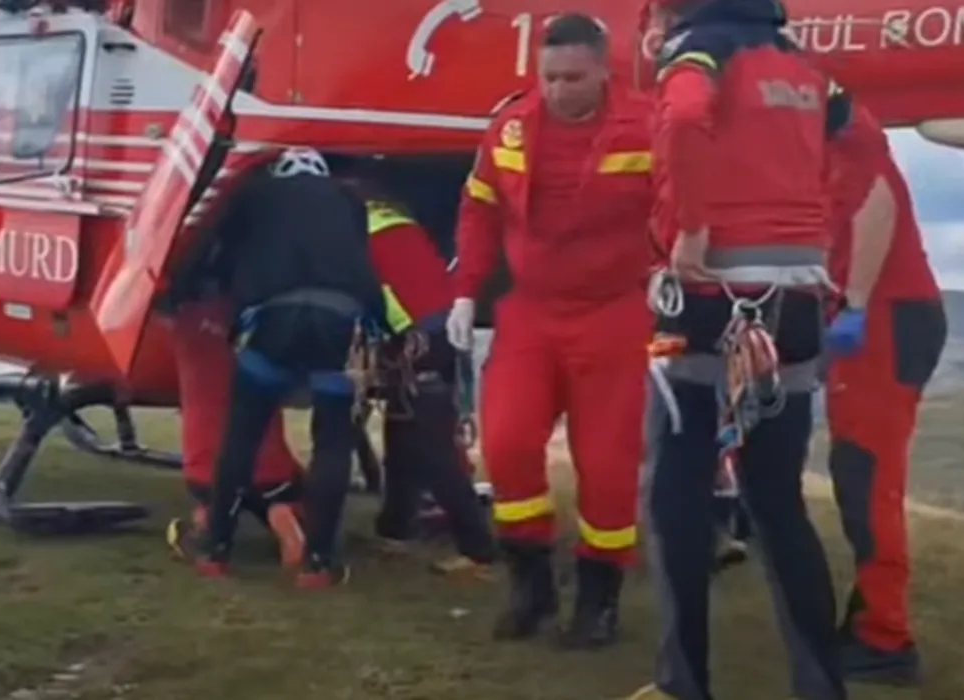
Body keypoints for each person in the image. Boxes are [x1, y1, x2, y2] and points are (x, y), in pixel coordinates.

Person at [627, 0, 856, 697]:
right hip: (795, 298)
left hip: (710, 295)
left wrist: (693, 225)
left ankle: (683, 683)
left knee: (675, 494)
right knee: (778, 500)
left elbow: (682, 118)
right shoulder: (802, 65)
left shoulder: (700, 51)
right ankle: (821, 687)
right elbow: (840, 124)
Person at [446, 14, 655, 649]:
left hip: (616, 315)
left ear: (603, 71)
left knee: (609, 466)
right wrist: (465, 289)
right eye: (550, 77)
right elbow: (480, 207)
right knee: (507, 443)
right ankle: (531, 587)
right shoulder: (510, 126)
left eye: (573, 78)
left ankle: (598, 601)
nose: (560, 89)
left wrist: (671, 275)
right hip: (530, 312)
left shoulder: (649, 126)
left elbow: (682, 206)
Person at [189, 147, 387, 588]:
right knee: (332, 442)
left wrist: (186, 290)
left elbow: (215, 251)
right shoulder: (349, 201)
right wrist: (383, 331)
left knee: (241, 436)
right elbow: (365, 265)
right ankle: (318, 563)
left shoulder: (254, 193)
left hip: (272, 319)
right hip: (338, 321)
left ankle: (215, 550)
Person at [824, 102, 946, 686]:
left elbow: (876, 201)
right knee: (861, 471)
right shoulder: (824, 134)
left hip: (883, 317)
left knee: (867, 475)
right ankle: (870, 618)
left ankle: (885, 639)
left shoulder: (842, 129)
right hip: (887, 313)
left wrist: (853, 302)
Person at [341, 171, 497, 578]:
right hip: (441, 331)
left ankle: (478, 550)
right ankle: (395, 528)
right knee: (404, 436)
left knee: (433, 449)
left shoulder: (355, 229)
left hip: (418, 340)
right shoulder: (393, 219)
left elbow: (368, 292)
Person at [159, 239, 307, 570]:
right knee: (280, 493)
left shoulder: (184, 319)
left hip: (206, 466)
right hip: (270, 464)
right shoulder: (263, 321)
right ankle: (287, 524)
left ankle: (205, 525)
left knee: (208, 495)